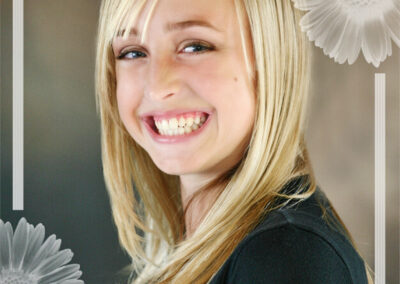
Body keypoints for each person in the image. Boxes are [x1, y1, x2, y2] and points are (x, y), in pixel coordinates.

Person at [95, 0, 374, 283]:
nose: (156, 87)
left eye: (195, 47)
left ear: (271, 58)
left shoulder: (285, 256)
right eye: (132, 52)